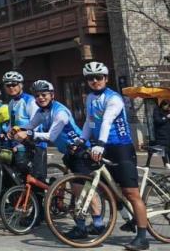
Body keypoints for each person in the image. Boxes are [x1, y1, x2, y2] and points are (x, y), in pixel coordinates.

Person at [12, 80, 98, 241]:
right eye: (37, 96)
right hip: (68, 153)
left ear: (52, 95)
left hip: (80, 151)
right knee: (79, 190)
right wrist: (18, 130)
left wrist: (29, 135)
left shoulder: (60, 112)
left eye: (44, 95)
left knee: (81, 190)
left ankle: (94, 223)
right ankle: (92, 223)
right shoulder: (41, 112)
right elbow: (30, 125)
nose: (40, 98)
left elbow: (51, 136)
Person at [79, 62, 150, 251]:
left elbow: (108, 121)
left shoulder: (114, 98)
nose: (95, 81)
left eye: (99, 77)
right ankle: (129, 219)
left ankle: (142, 237)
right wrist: (81, 140)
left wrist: (100, 144)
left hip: (121, 147)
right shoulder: (90, 98)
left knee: (131, 193)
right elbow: (90, 121)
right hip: (104, 147)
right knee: (110, 187)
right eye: (90, 78)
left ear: (106, 78)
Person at [152, 99, 170, 168]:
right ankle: (166, 163)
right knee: (162, 150)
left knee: (169, 149)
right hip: (160, 134)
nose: (167, 108)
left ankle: (168, 164)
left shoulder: (168, 111)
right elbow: (157, 121)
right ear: (162, 105)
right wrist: (166, 117)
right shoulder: (157, 110)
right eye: (166, 106)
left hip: (168, 133)